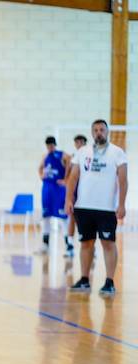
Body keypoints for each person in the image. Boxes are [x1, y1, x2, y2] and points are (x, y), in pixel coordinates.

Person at [65, 120, 128, 296]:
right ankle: (84, 280)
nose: (99, 132)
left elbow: (123, 181)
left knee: (108, 243)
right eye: (95, 130)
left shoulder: (117, 153)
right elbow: (73, 177)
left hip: (106, 208)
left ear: (107, 132)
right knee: (86, 243)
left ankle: (109, 282)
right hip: (84, 206)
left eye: (102, 129)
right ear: (92, 133)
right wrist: (68, 200)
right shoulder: (82, 152)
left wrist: (121, 204)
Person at [38, 136, 73, 255]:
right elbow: (40, 168)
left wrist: (66, 178)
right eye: (48, 145)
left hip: (59, 189)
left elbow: (71, 161)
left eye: (52, 145)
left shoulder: (62, 154)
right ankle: (45, 244)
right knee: (46, 217)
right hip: (47, 189)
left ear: (55, 145)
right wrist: (41, 175)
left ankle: (69, 245)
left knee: (63, 217)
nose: (50, 147)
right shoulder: (45, 156)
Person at [63, 134, 88, 255]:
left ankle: (90, 247)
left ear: (85, 143)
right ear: (75, 144)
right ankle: (70, 245)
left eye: (81, 142)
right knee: (72, 218)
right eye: (77, 142)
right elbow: (67, 177)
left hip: (87, 193)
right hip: (75, 192)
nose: (79, 144)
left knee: (87, 220)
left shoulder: (90, 156)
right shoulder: (72, 158)